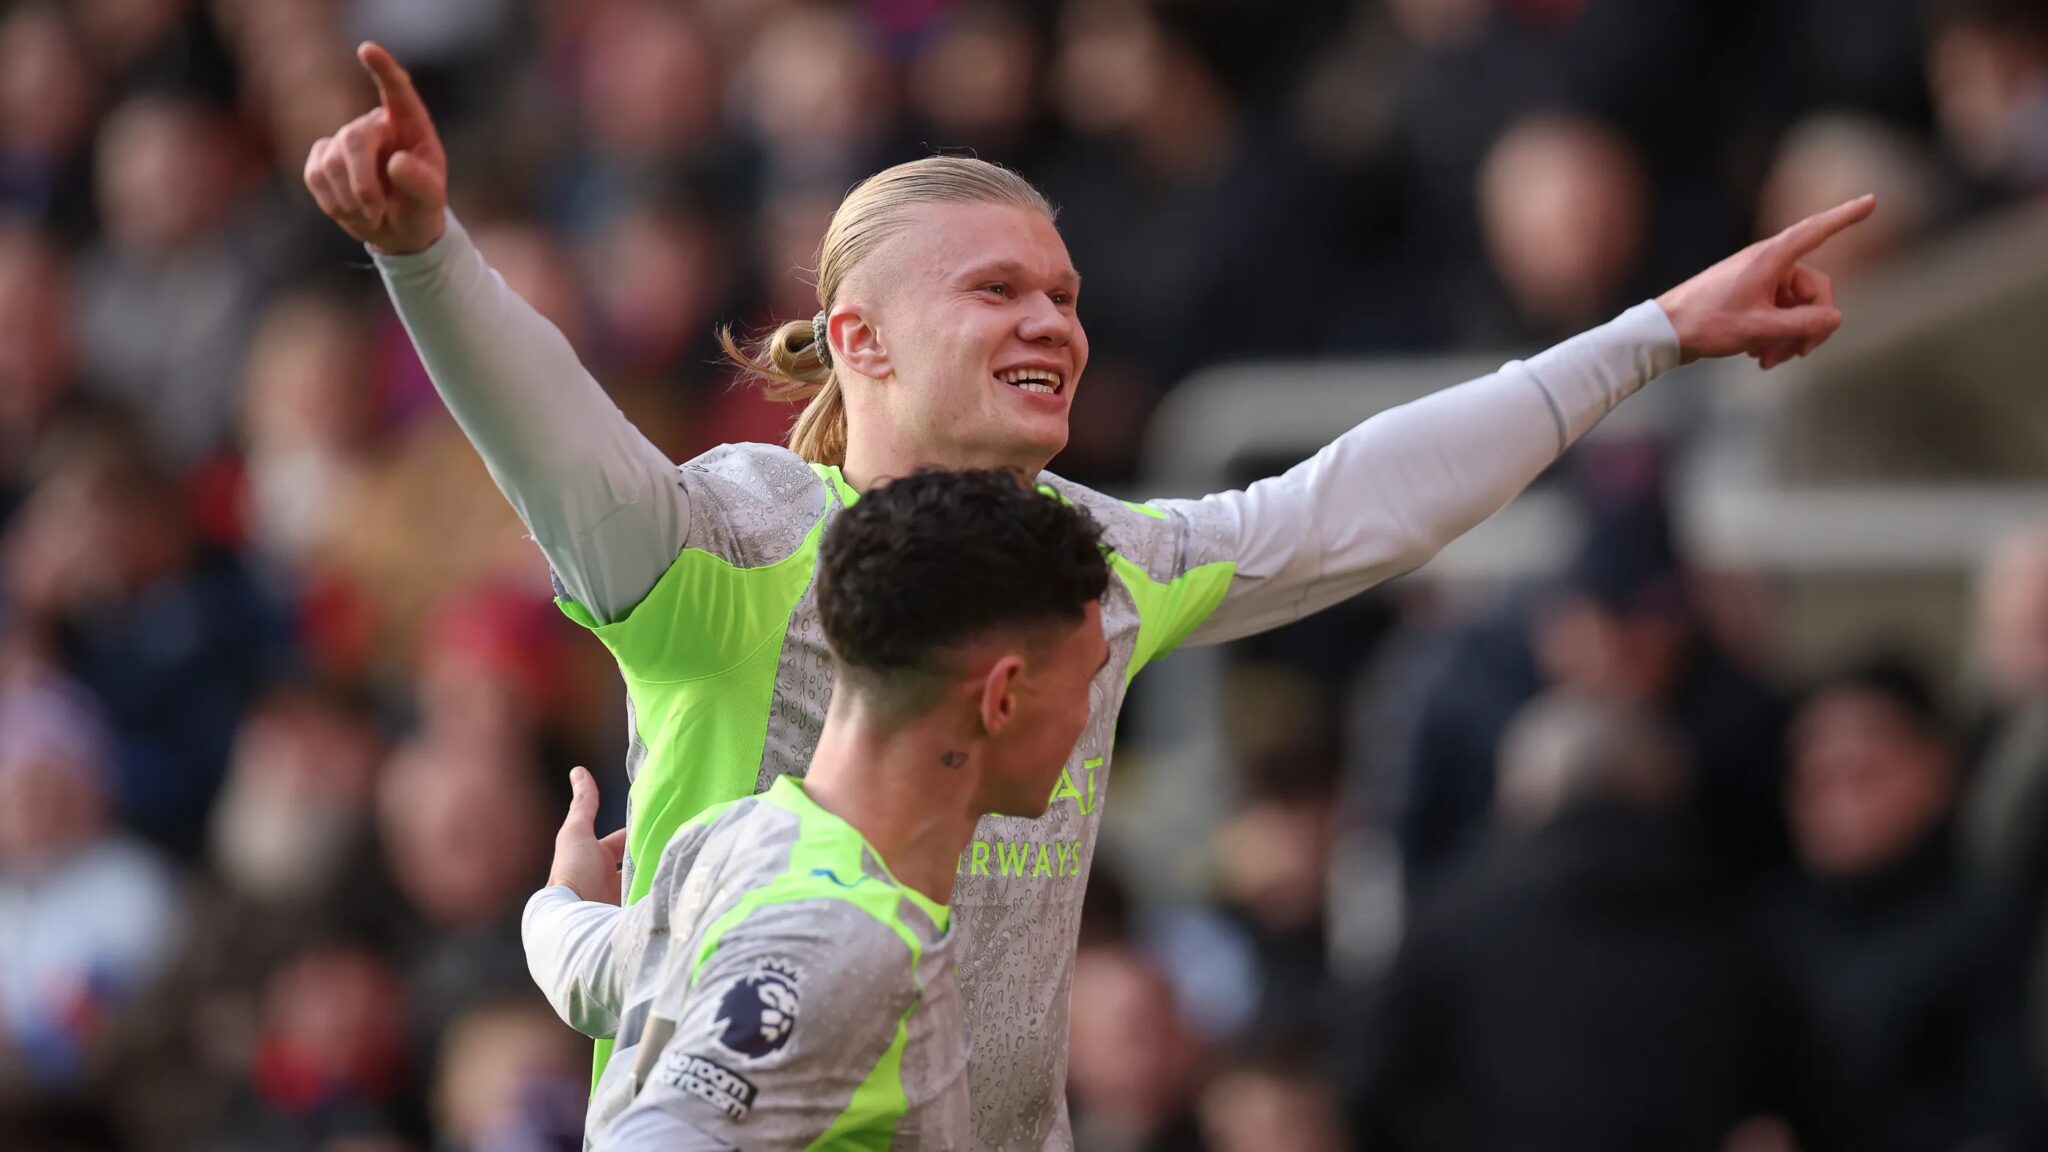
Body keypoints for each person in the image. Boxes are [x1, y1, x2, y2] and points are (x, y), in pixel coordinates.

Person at [304, 41, 1874, 1148]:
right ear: (858, 340)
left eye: (1064, 294)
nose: (1053, 323)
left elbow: (1350, 504)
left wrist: (1656, 331)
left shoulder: (1094, 561)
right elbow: (558, 445)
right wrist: (425, 251)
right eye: (996, 290)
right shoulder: (727, 547)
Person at [523, 469, 1111, 1148]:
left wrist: (558, 898)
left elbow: (592, 966)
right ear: (1001, 697)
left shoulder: (735, 839)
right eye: (1085, 679)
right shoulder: (845, 942)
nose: (1089, 714)